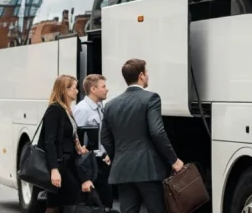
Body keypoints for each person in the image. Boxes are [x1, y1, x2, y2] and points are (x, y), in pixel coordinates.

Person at [101, 59, 183, 213]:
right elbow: (157, 132)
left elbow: (104, 137)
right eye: (146, 72)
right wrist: (174, 160)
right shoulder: (151, 98)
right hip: (148, 169)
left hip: (123, 169)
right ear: (141, 76)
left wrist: (117, 156)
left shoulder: (110, 105)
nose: (147, 76)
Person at [37, 74, 90, 212]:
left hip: (68, 163)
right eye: (74, 88)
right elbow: (49, 141)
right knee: (55, 205)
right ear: (64, 90)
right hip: (59, 166)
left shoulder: (67, 110)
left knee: (61, 204)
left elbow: (69, 136)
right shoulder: (55, 109)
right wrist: (54, 170)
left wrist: (78, 147)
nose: (77, 91)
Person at [73, 74, 113, 207]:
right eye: (103, 86)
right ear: (93, 89)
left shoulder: (101, 107)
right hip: (90, 163)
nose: (106, 89)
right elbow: (75, 138)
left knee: (106, 202)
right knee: (94, 204)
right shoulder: (82, 109)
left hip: (101, 161)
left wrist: (104, 154)